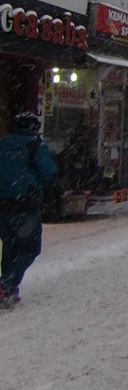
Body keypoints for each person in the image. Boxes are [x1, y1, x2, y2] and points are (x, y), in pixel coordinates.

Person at [0, 112, 57, 309]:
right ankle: (6, 284)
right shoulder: (34, 145)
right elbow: (48, 172)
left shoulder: (3, 142)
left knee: (10, 246)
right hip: (24, 204)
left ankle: (9, 289)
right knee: (30, 248)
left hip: (2, 204)